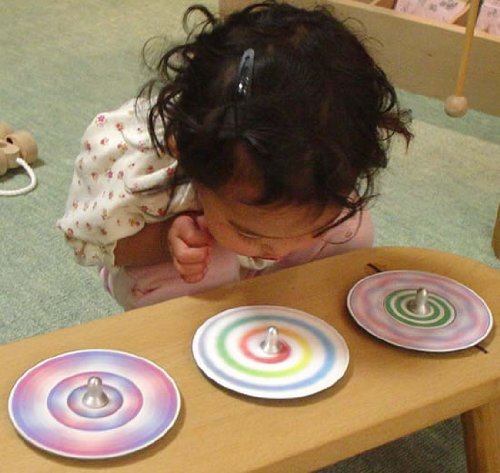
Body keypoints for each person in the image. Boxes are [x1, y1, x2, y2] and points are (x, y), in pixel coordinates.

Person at [57, 1, 412, 309]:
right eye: (250, 233)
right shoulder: (142, 163)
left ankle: (269, 296)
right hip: (167, 258)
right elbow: (95, 242)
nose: (279, 251)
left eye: (313, 227)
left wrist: (298, 235)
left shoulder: (323, 151)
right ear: (188, 160)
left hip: (238, 256)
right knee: (214, 266)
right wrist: (168, 238)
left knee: (352, 231)